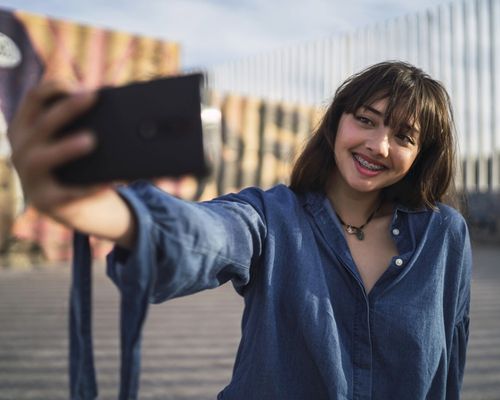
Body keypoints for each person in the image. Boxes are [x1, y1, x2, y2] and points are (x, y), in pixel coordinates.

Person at [8, 61, 472, 399]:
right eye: (366, 120)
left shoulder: (444, 236)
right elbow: (207, 234)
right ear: (336, 124)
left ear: (422, 154)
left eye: (404, 136)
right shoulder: (272, 215)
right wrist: (101, 210)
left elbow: (448, 367)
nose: (378, 145)